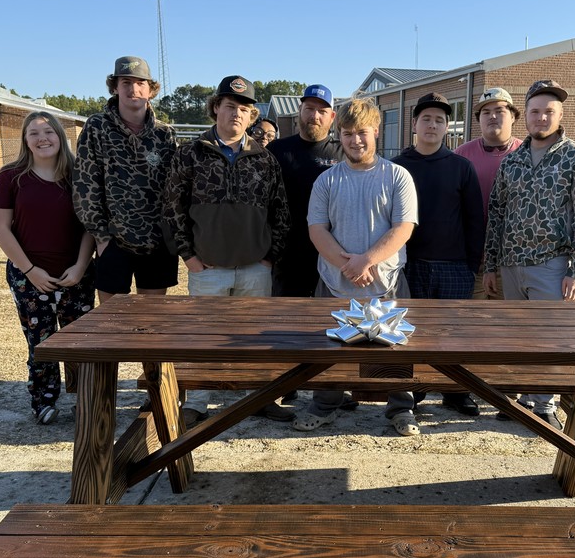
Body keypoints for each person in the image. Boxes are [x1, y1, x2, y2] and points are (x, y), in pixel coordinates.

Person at [162, 75, 292, 422]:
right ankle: (196, 403)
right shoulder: (190, 154)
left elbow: (281, 211)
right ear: (216, 108)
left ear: (252, 117)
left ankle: (258, 398)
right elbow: (172, 208)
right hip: (209, 267)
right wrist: (188, 256)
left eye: (245, 109)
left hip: (255, 267)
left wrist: (268, 258)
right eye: (230, 106)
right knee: (204, 337)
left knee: (256, 337)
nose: (237, 114)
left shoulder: (264, 159)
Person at [292, 98, 421, 437]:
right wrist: (348, 265)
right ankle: (325, 404)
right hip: (334, 282)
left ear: (376, 131)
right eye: (347, 133)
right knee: (329, 350)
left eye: (362, 132)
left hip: (387, 281)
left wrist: (367, 260)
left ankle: (401, 409)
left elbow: (403, 228)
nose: (355, 140)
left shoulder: (397, 176)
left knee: (394, 351)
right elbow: (317, 229)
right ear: (339, 135)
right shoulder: (327, 181)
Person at [483, 79, 575, 429]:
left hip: (552, 263)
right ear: (527, 117)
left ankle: (544, 403)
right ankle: (520, 396)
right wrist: (491, 265)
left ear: (560, 115)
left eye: (549, 111)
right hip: (512, 263)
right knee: (516, 337)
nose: (541, 118)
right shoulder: (512, 161)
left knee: (550, 337)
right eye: (535, 111)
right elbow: (498, 214)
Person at [0, 111, 95, 424]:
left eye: (48, 132)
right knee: (42, 341)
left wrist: (79, 266)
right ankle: (44, 400)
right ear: (25, 140)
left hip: (75, 275)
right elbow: (0, 229)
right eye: (34, 133)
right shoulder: (11, 177)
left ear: (60, 137)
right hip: (29, 277)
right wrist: (30, 270)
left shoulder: (78, 175)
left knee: (80, 343)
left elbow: (90, 225)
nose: (42, 138)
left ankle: (85, 400)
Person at [392, 92, 484, 416]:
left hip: (454, 266)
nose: (433, 124)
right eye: (426, 118)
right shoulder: (397, 167)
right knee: (411, 333)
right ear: (414, 123)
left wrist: (472, 265)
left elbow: (475, 220)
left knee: (453, 335)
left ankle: (455, 392)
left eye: (440, 120)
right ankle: (413, 392)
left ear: (447, 127)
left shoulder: (462, 167)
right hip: (410, 265)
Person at [73, 56, 178, 303]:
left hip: (157, 242)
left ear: (151, 90)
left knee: (152, 321)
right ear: (115, 87)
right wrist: (101, 236)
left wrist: (171, 234)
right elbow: (85, 185)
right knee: (112, 321)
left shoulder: (164, 134)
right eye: (126, 82)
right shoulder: (97, 127)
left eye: (140, 83)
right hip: (114, 240)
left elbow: (174, 188)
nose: (133, 89)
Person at [268, 84, 343, 299]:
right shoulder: (277, 150)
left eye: (322, 111)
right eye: (309, 109)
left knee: (329, 320)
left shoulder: (343, 152)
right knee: (286, 321)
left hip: (331, 253)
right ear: (300, 111)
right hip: (287, 255)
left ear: (332, 116)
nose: (315, 116)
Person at [455, 88, 523, 299]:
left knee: (506, 323)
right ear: (478, 119)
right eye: (486, 112)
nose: (492, 116)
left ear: (513, 116)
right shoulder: (462, 155)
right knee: (471, 321)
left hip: (512, 262)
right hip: (472, 259)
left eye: (500, 110)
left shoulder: (527, 154)